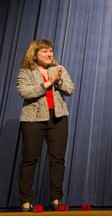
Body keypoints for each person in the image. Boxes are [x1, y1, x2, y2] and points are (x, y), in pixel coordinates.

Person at [16, 39, 74, 211]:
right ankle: (26, 201)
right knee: (29, 159)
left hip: (58, 119)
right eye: (45, 52)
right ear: (34, 54)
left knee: (57, 159)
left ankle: (56, 199)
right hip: (33, 119)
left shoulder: (58, 70)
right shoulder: (26, 71)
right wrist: (48, 83)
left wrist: (58, 81)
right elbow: (25, 91)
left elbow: (70, 89)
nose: (49, 54)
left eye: (51, 51)